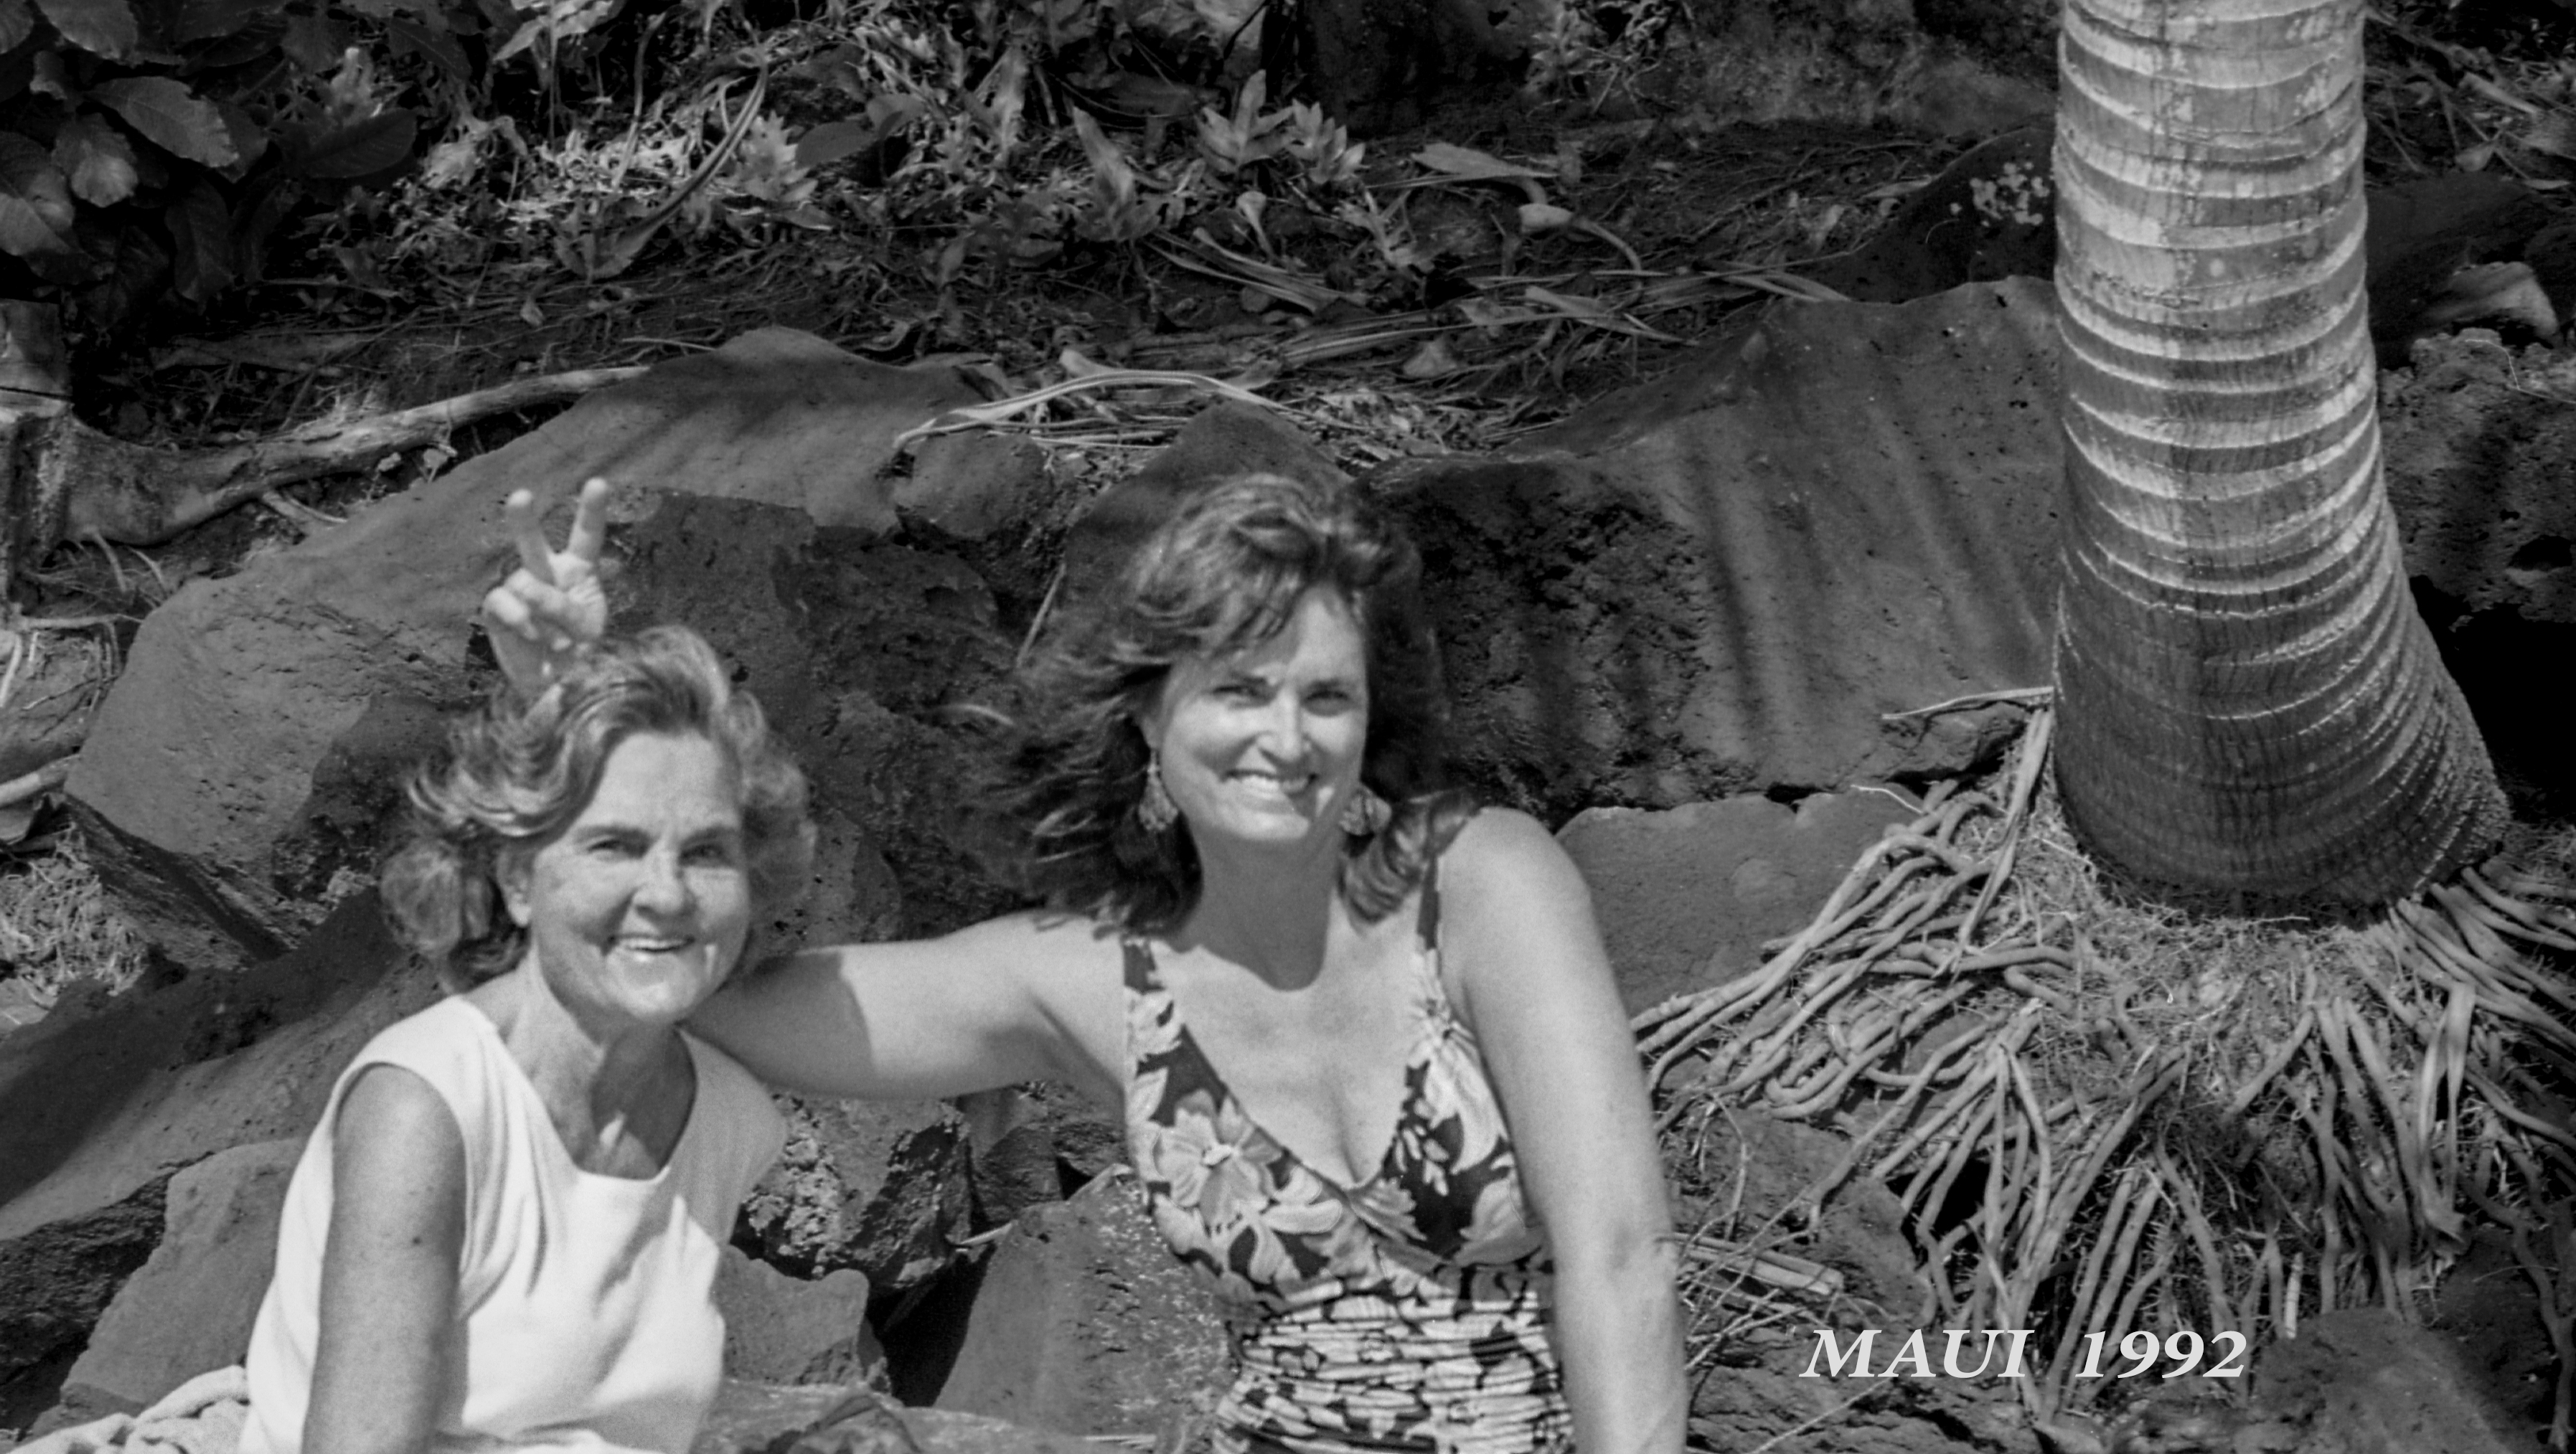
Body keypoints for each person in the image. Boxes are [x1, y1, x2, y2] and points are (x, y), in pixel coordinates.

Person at [484, 471, 1686, 1454]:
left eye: (1328, 694)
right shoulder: (1101, 980)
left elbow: (1621, 1257)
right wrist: (577, 704)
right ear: (1152, 718)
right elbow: (729, 989)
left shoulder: (1479, 881)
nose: (1287, 734)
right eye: (1241, 688)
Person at [237, 625, 814, 1454]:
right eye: (614, 845)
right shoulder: (428, 1107)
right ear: (516, 878)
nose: (667, 893)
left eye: (707, 852)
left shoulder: (728, 1115)